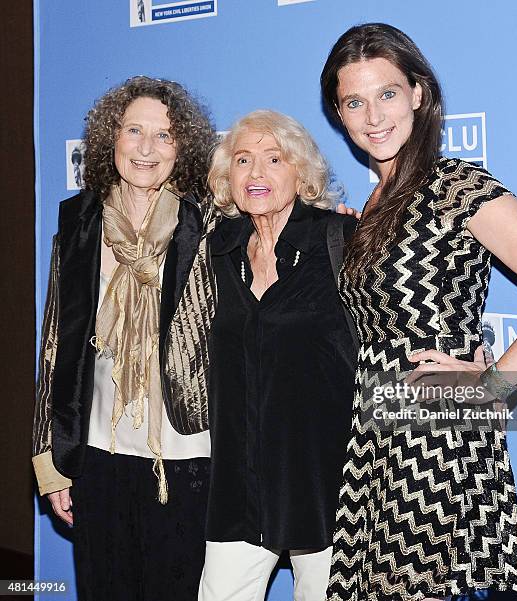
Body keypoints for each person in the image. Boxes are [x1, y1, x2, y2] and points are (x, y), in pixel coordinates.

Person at [320, 23, 517, 601]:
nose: (373, 116)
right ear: (339, 113)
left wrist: (494, 384)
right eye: (355, 101)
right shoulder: (369, 204)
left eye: (388, 94)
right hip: (373, 430)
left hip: (434, 431)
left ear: (419, 94)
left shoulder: (452, 184)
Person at [32, 76, 218, 601]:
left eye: (164, 135)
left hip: (187, 454)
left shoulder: (211, 223)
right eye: (134, 130)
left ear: (183, 148)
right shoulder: (78, 224)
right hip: (97, 452)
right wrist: (51, 466)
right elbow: (54, 349)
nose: (146, 148)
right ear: (110, 138)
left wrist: (333, 229)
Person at [199, 110, 357, 601]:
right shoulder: (217, 252)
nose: (257, 173)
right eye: (243, 160)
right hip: (239, 485)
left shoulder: (342, 241)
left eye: (274, 159)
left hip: (327, 483)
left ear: (301, 173)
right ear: (228, 177)